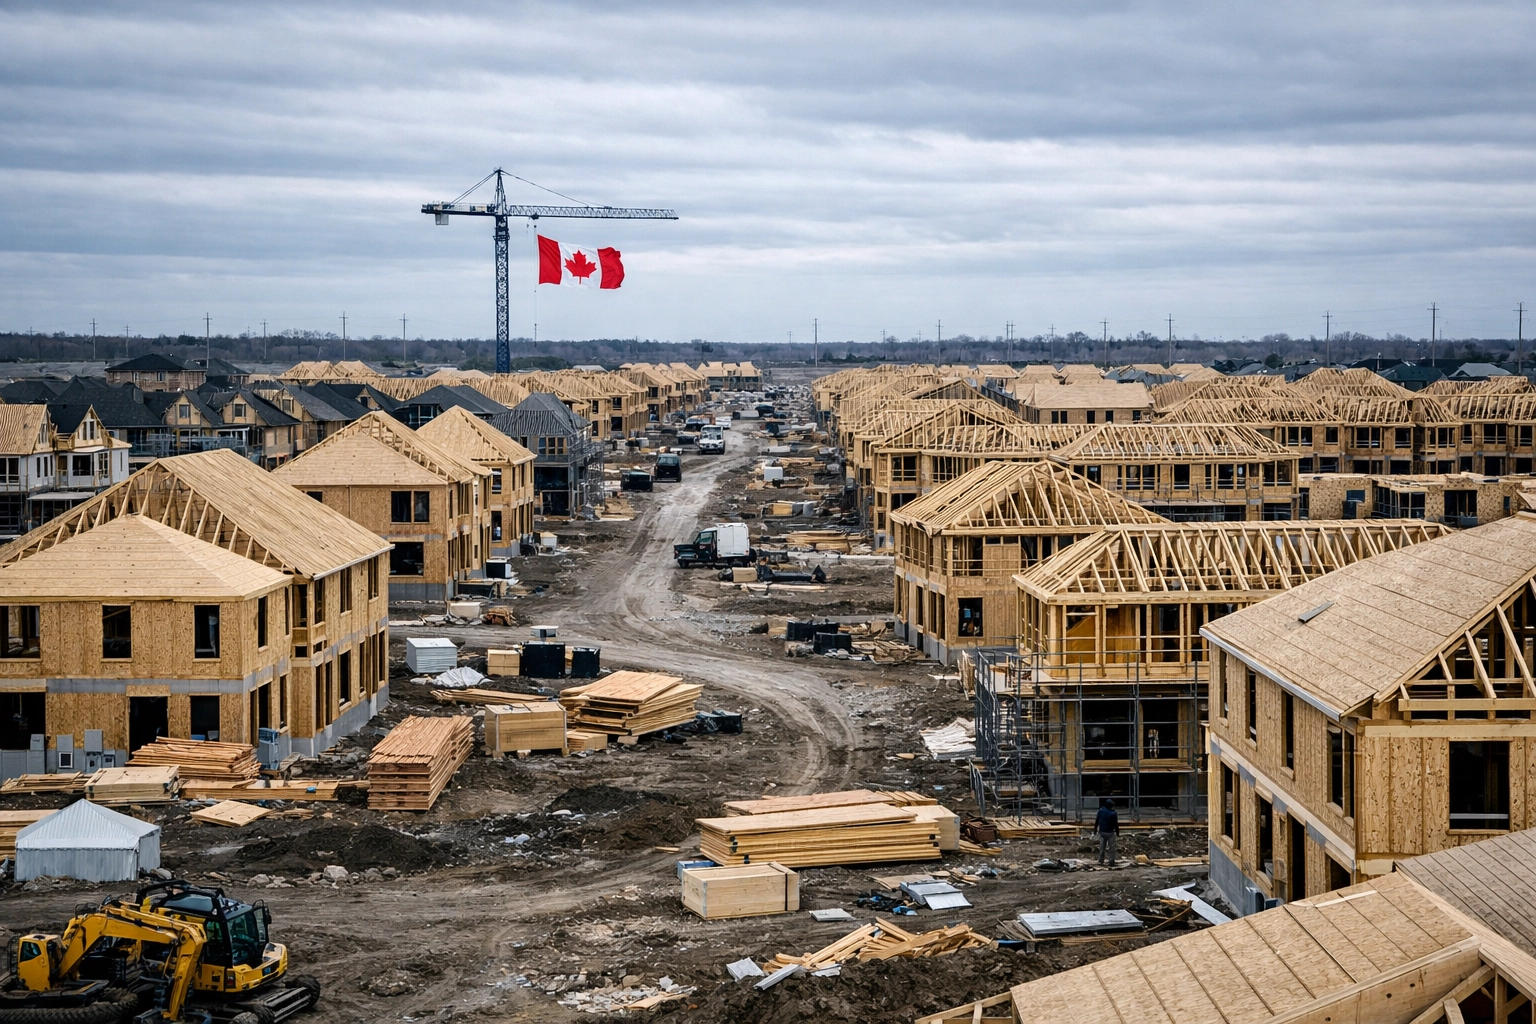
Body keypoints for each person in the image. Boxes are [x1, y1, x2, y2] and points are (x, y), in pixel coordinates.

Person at [1094, 798, 1119, 865]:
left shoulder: (1101, 811)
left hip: (1102, 832)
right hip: (1110, 832)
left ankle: (1101, 860)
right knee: (1111, 848)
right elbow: (1115, 824)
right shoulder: (1113, 813)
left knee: (1102, 848)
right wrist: (1117, 832)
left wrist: (1095, 829)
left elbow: (1097, 821)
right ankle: (1111, 861)